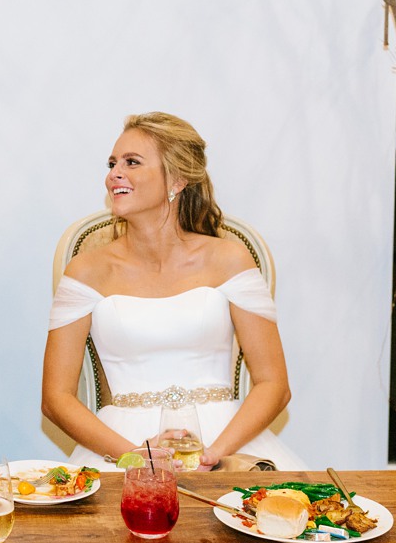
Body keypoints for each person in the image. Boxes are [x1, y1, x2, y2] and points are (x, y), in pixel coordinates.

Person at [42, 112, 303, 470]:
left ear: (177, 179)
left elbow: (274, 384)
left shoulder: (230, 259)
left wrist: (213, 454)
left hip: (225, 441)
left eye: (132, 162)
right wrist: (137, 456)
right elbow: (56, 398)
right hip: (124, 447)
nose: (113, 174)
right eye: (112, 163)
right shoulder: (86, 271)